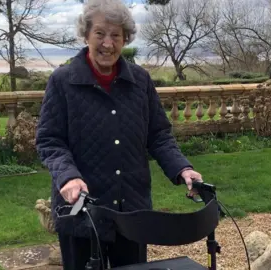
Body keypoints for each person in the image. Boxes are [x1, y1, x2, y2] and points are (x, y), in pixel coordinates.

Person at [35, 0, 203, 269]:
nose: (108, 44)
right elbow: (49, 140)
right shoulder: (63, 81)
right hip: (81, 212)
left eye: (116, 35)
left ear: (125, 39)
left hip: (132, 213)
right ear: (86, 35)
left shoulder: (140, 81)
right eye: (100, 33)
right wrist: (68, 176)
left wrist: (183, 168)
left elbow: (158, 135)